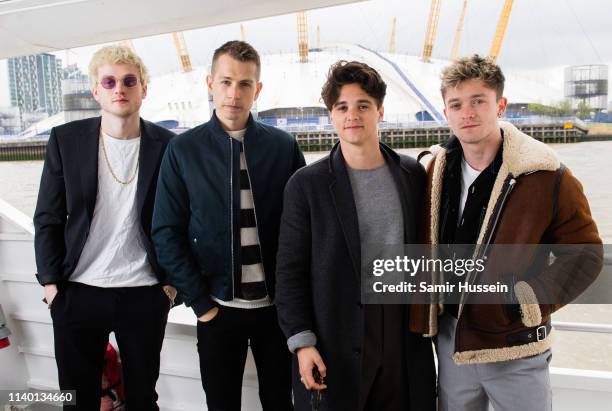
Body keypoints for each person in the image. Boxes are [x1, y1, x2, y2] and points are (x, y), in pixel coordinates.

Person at [420, 54, 603, 411]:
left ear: (500, 105)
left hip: (515, 343)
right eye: (456, 104)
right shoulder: (434, 170)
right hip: (452, 340)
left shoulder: (545, 173)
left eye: (478, 101)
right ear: (445, 112)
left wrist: (528, 300)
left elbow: (585, 254)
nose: (467, 113)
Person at [275, 60, 436, 411]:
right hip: (336, 335)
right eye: (342, 107)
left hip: (402, 334)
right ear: (331, 116)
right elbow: (290, 272)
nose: (353, 115)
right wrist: (302, 343)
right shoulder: (306, 185)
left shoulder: (412, 175)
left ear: (380, 111)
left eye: (363, 105)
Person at [152, 40, 304, 410]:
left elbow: (304, 228)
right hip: (217, 308)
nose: (234, 93)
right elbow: (166, 231)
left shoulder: (283, 147)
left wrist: (296, 304)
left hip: (275, 311)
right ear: (210, 83)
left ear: (258, 89)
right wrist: (201, 303)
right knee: (221, 404)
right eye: (225, 82)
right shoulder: (183, 149)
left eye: (244, 84)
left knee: (280, 403)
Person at [34, 45, 176, 410]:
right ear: (96, 90)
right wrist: (52, 287)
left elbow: (184, 221)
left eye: (129, 81)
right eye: (109, 81)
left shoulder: (169, 146)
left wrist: (172, 287)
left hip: (144, 293)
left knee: (143, 399)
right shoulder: (66, 140)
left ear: (144, 88)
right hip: (78, 291)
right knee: (77, 401)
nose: (120, 89)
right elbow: (48, 218)